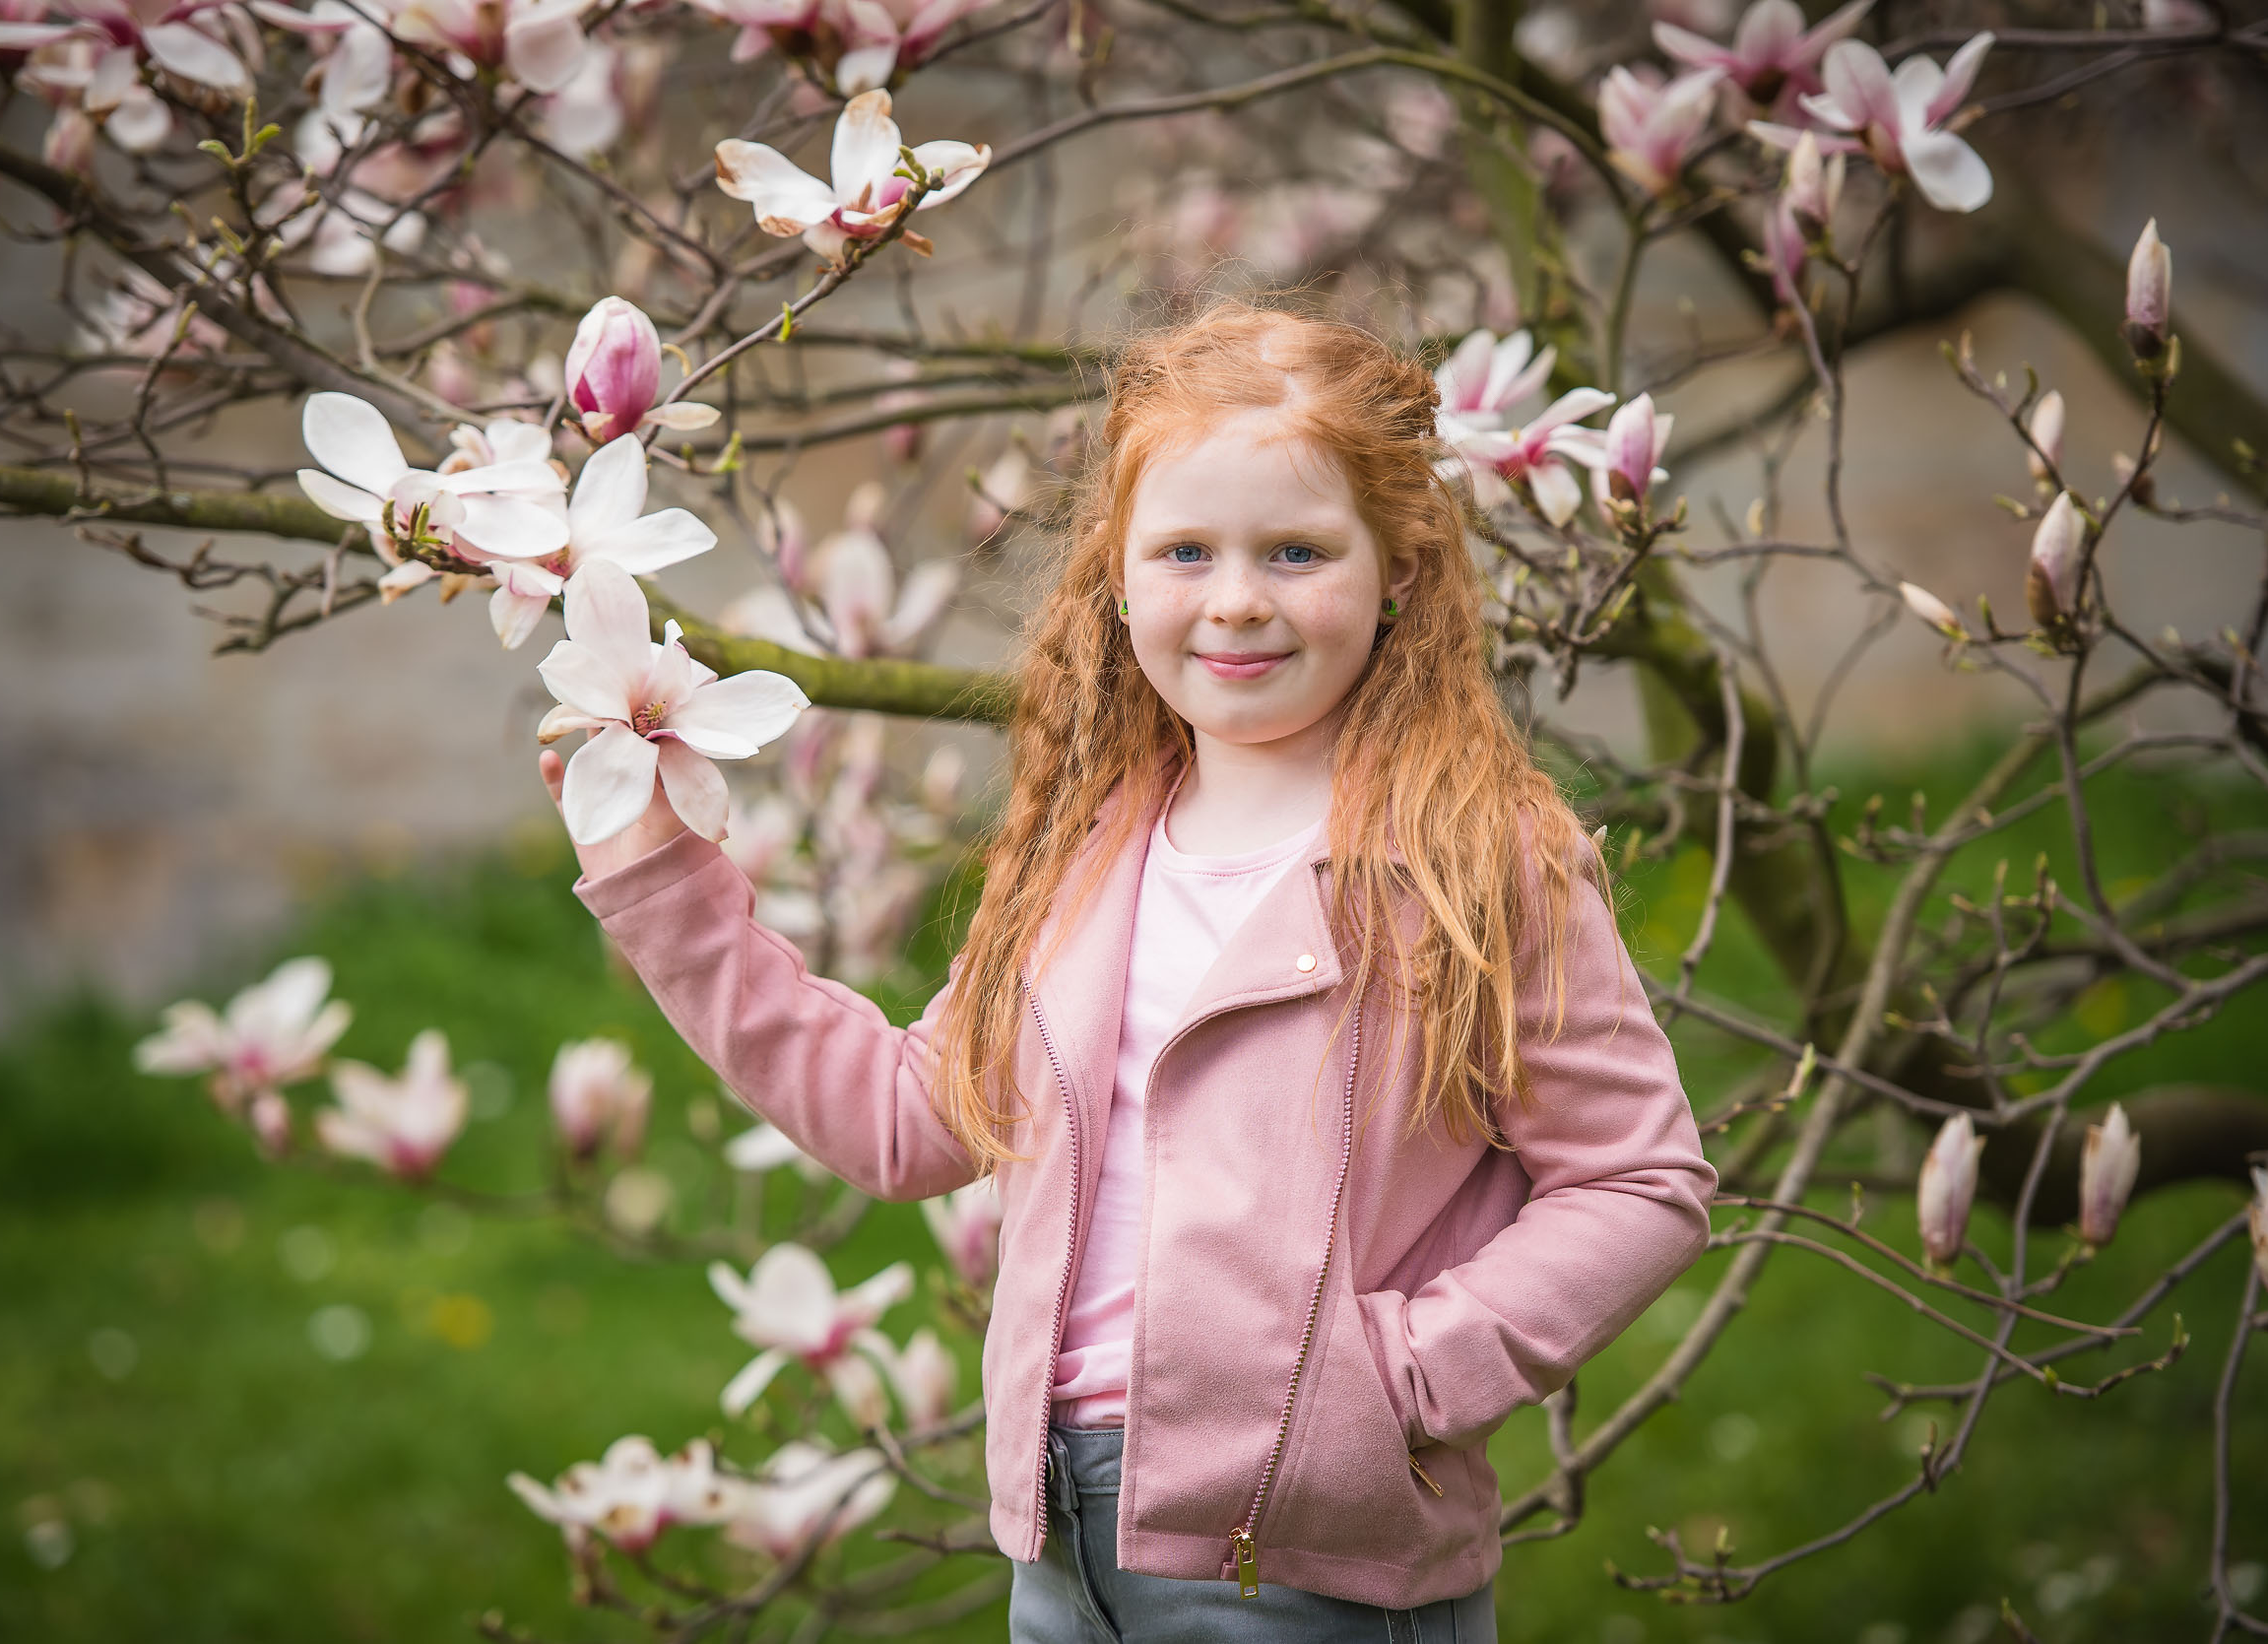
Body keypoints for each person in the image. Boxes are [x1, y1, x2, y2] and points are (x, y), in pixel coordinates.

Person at [539, 300, 1717, 1642]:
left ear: (1399, 567)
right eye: (1185, 550)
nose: (1236, 598)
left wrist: (1393, 1382)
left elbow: (1638, 1179)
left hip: (1311, 1568)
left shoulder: (1472, 860)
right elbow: (905, 1121)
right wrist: (666, 887)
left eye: (1297, 551)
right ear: (1117, 574)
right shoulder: (1089, 851)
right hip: (1062, 1560)